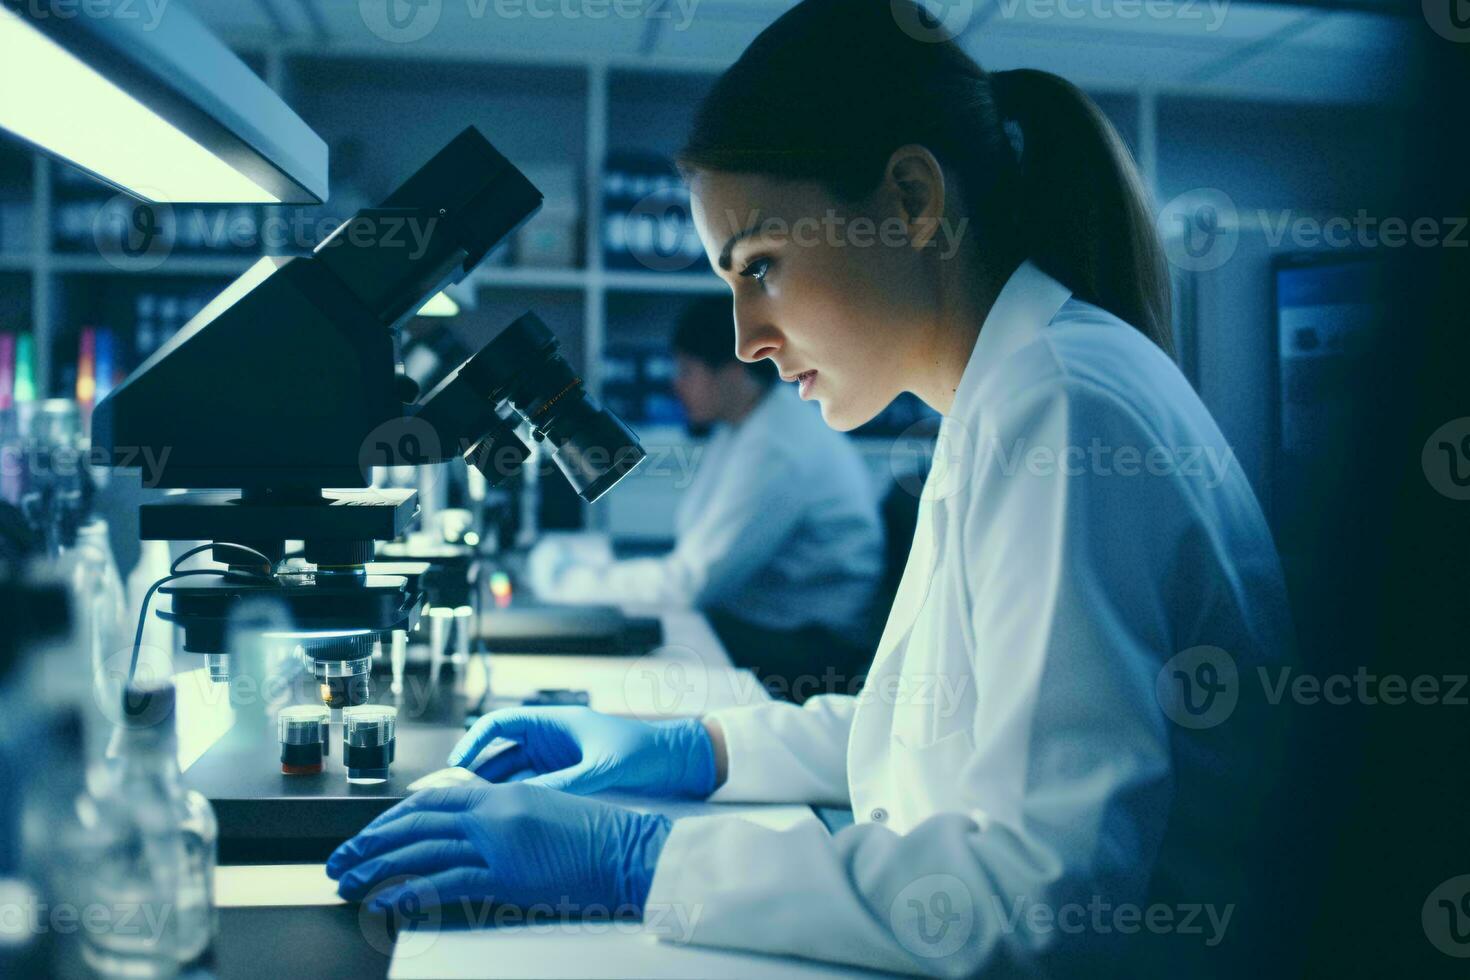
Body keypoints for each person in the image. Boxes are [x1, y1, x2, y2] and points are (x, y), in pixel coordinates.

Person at [327, 2, 1294, 975]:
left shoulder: (1062, 404)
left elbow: (1031, 896)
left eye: (763, 266)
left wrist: (640, 856)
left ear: (912, 199)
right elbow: (923, 723)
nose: (745, 338)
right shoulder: (1016, 390)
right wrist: (692, 745)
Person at [529, 296, 884, 702]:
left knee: (641, 664)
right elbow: (694, 551)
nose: (675, 385)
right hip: (764, 617)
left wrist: (565, 584)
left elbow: (690, 584)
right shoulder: (744, 423)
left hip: (808, 646)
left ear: (733, 374)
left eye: (687, 371)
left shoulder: (776, 448)